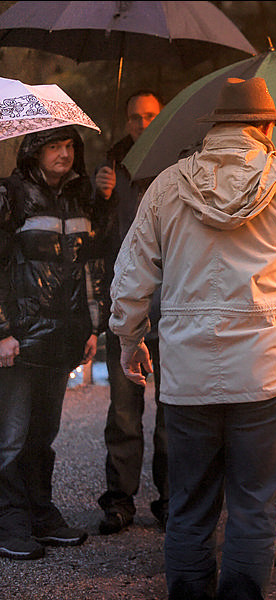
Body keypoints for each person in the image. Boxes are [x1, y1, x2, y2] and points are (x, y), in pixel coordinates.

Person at [108, 77, 276, 599]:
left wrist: (129, 338)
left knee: (189, 506)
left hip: (189, 373)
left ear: (215, 128)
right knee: (255, 506)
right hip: (270, 369)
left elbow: (132, 275)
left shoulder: (167, 185)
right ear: (265, 127)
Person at [0, 125, 109, 560]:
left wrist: (90, 327)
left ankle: (40, 515)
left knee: (43, 435)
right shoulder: (9, 195)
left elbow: (89, 267)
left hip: (60, 339)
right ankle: (9, 522)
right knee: (10, 435)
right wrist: (2, 331)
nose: (63, 154)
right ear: (33, 150)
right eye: (53, 146)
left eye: (69, 146)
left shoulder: (79, 198)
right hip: (20, 341)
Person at [93, 90, 168, 535]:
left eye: (151, 116)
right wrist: (99, 198)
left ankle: (172, 499)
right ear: (126, 121)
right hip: (124, 305)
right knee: (123, 412)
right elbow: (97, 241)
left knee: (173, 411)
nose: (142, 124)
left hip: (170, 305)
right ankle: (119, 501)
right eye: (135, 118)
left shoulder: (179, 167)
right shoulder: (110, 169)